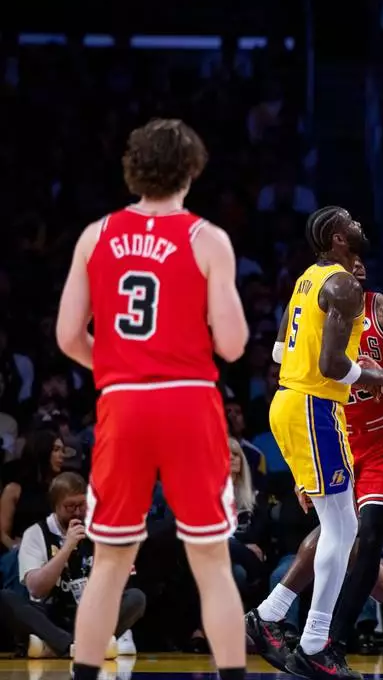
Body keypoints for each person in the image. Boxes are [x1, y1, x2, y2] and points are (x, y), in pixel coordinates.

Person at [54, 119, 250, 680]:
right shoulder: (207, 238)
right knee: (212, 562)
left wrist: (120, 366)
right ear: (190, 171)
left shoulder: (95, 235)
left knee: (110, 563)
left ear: (133, 169)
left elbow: (68, 336)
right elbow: (233, 344)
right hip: (189, 402)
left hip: (124, 402)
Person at [247, 258, 383, 677]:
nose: (357, 265)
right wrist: (304, 470)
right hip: (334, 435)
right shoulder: (323, 314)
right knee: (339, 537)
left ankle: (329, 642)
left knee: (358, 538)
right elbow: (299, 369)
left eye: (362, 261)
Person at [266, 205, 383, 679]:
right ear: (337, 238)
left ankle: (285, 622)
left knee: (341, 528)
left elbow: (278, 350)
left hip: (290, 401)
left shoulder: (306, 280)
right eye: (350, 222)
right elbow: (333, 367)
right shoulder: (343, 285)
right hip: (313, 406)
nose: (359, 225)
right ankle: (311, 640)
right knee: (341, 529)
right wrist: (380, 376)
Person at [0, 472, 144, 659]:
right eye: (70, 507)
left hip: (89, 614)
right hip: (49, 616)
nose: (77, 512)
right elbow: (37, 589)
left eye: (82, 505)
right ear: (55, 506)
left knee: (136, 598)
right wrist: (67, 548)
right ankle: (73, 645)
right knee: (5, 598)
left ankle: (57, 646)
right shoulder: (36, 533)